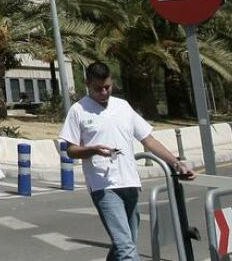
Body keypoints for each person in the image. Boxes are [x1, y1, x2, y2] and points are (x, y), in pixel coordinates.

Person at [60, 62, 191, 261]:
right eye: (98, 88)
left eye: (107, 87)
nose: (104, 92)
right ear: (87, 84)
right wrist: (93, 150)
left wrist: (176, 162)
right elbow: (71, 150)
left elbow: (148, 139)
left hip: (130, 183)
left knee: (125, 242)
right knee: (127, 248)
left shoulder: (123, 107)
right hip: (103, 186)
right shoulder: (78, 110)